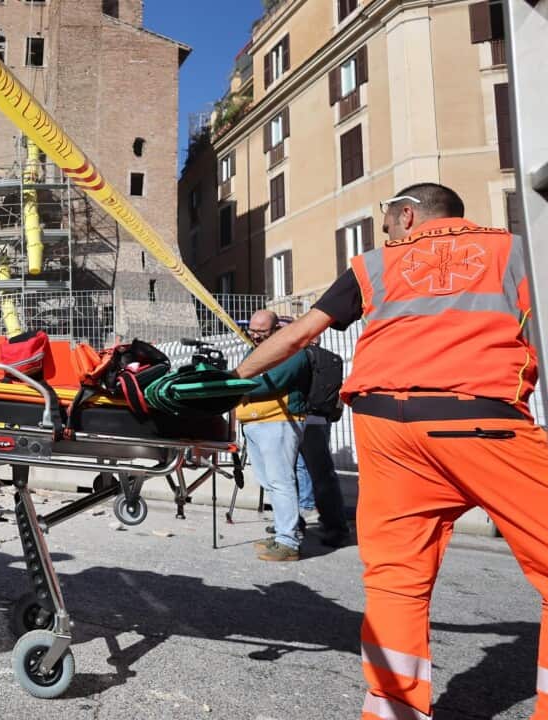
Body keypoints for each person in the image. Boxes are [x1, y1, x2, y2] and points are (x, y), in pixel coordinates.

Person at [233, 182, 547, 719]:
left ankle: (392, 710)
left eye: (385, 220)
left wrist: (230, 379)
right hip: (479, 422)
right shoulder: (517, 250)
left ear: (407, 214)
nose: (383, 230)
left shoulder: (374, 266)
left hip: (386, 428)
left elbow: (299, 335)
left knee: (396, 580)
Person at [238, 309, 310, 562]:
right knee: (270, 482)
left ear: (276, 329)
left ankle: (288, 541)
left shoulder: (292, 351)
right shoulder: (257, 350)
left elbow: (271, 383)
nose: (255, 336)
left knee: (281, 481)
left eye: (262, 332)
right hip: (257, 421)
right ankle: (285, 531)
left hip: (279, 422)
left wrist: (232, 385)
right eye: (253, 330)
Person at [294, 338, 351, 547]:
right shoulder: (332, 358)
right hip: (319, 419)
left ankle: (292, 524)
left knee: (289, 475)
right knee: (322, 475)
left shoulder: (295, 357)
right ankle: (335, 528)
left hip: (296, 419)